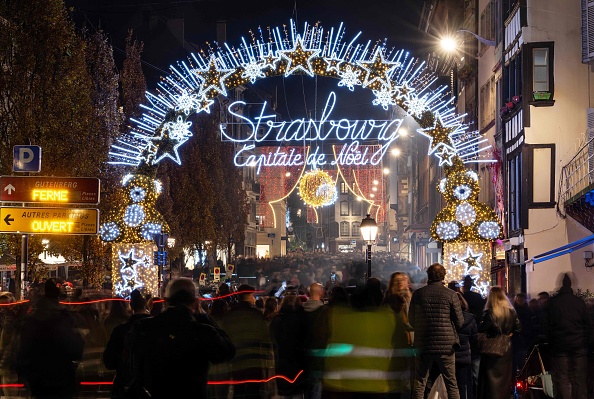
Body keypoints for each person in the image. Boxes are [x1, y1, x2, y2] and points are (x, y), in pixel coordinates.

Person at [128, 278, 235, 399]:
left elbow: (134, 367)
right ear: (195, 302)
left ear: (166, 301)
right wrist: (205, 317)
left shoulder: (143, 328)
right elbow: (227, 351)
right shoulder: (202, 331)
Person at [17, 278, 85, 399]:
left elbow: (23, 347)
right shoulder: (64, 317)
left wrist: (23, 371)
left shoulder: (32, 319)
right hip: (61, 372)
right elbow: (76, 346)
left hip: (38, 374)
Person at [409, 263, 464, 399]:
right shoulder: (451, 295)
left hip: (423, 344)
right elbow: (460, 322)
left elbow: (411, 319)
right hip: (446, 345)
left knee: (420, 382)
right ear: (443, 276)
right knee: (451, 383)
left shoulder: (418, 294)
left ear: (428, 275)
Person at [217, 284, 274, 399]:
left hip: (236, 360)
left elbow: (224, 336)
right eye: (252, 295)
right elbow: (266, 337)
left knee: (239, 392)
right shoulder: (256, 314)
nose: (254, 298)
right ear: (248, 296)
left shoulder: (230, 315)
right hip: (254, 361)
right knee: (254, 392)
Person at [542, 273, 592, 399]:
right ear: (571, 285)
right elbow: (588, 324)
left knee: (562, 377)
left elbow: (546, 324)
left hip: (559, 345)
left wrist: (550, 341)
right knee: (579, 379)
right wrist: (587, 341)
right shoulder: (579, 303)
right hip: (579, 346)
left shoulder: (553, 303)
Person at [103, 289, 151, 399]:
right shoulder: (156, 328)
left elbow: (109, 362)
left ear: (131, 306)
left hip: (125, 383)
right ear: (145, 305)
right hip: (151, 384)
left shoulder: (120, 330)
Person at [476, 286, 521, 399]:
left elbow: (482, 328)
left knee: (489, 380)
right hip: (506, 348)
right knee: (504, 380)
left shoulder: (489, 313)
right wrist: (509, 335)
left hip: (491, 348)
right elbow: (518, 328)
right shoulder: (511, 311)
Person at [301, 283, 327, 399]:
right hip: (319, 352)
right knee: (317, 387)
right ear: (320, 292)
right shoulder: (324, 311)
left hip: (303, 352)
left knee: (306, 386)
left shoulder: (301, 310)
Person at [454, 292, 477, 399]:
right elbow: (474, 338)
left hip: (448, 356)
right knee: (462, 384)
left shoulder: (447, 318)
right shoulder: (470, 319)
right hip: (464, 356)